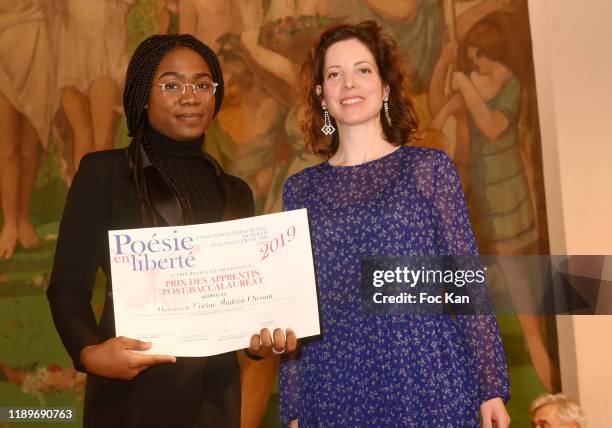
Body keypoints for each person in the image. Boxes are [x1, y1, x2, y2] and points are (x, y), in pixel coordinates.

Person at [47, 34, 295, 428]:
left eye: (202, 84)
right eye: (171, 84)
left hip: (217, 403)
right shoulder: (104, 173)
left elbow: (242, 307)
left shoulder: (236, 193)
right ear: (144, 95)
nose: (190, 96)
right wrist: (90, 352)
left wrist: (260, 341)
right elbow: (67, 285)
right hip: (131, 399)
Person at [279, 21, 510, 427]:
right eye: (335, 74)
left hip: (425, 378)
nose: (349, 83)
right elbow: (298, 307)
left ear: (385, 87)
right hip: (333, 386)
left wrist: (490, 387)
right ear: (321, 95)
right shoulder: (300, 191)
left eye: (363, 70)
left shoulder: (429, 169)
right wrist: (294, 410)